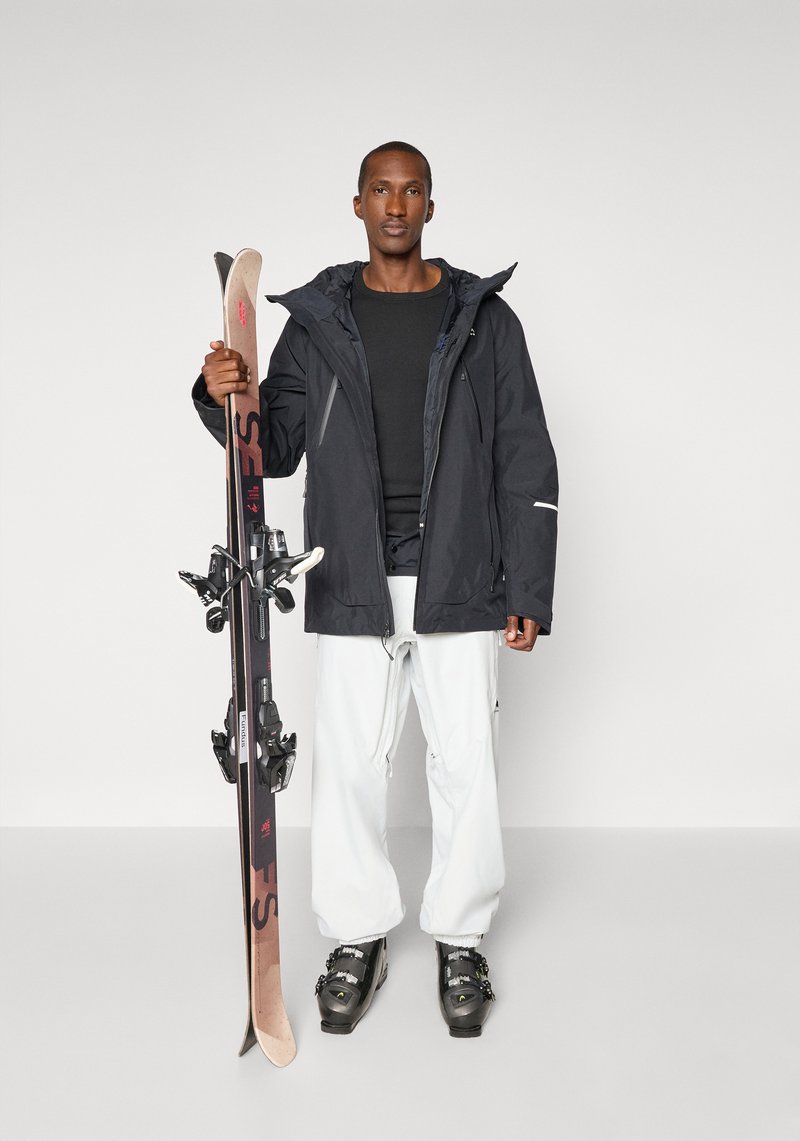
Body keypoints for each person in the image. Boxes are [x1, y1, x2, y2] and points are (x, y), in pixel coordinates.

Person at [192, 141, 559, 1039]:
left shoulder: (485, 321)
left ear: (431, 204)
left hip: (461, 573)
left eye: (412, 190)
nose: (396, 204)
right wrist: (218, 395)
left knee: (466, 765)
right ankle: (358, 934)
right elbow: (274, 448)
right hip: (350, 567)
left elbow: (526, 455)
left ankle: (461, 937)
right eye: (381, 190)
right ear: (357, 204)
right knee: (350, 768)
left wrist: (528, 584)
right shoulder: (318, 322)